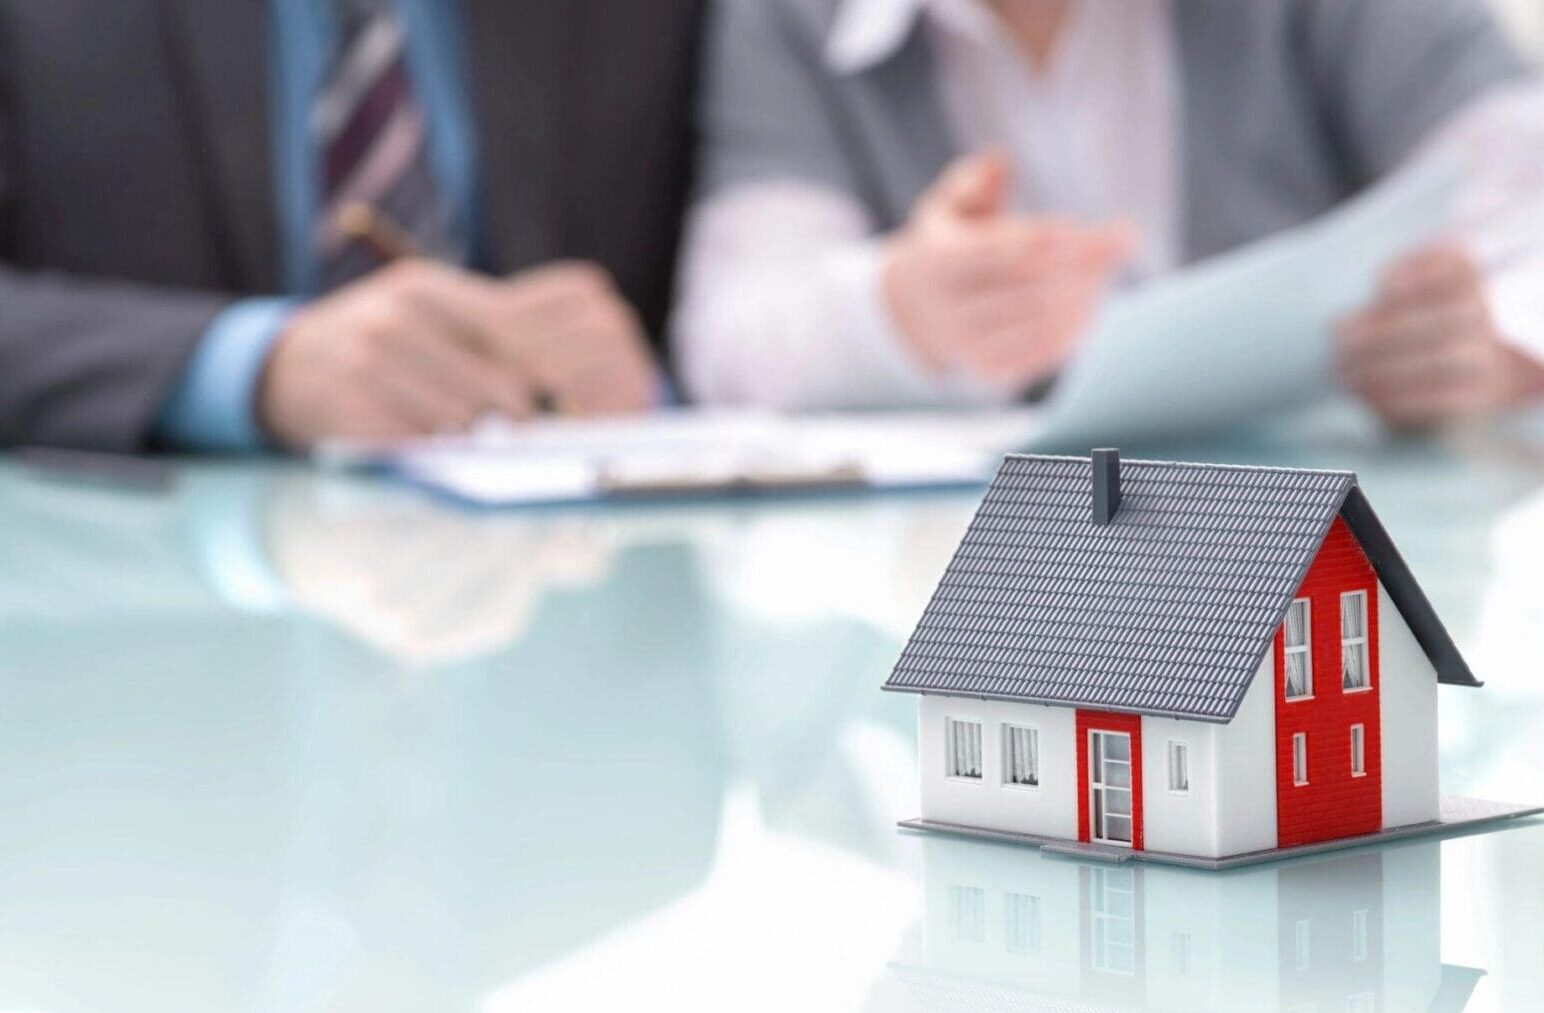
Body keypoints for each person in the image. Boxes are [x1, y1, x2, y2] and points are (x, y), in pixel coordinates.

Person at [675, 0, 1544, 429]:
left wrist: (1493, 345)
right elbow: (733, 332)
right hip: (987, 568)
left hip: (1327, 513)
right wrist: (898, 311)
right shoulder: (787, 21)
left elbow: (1519, 178)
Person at [0, 0, 704, 452]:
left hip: (565, 589)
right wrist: (254, 369)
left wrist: (647, 383)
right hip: (148, 609)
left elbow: (742, 269)